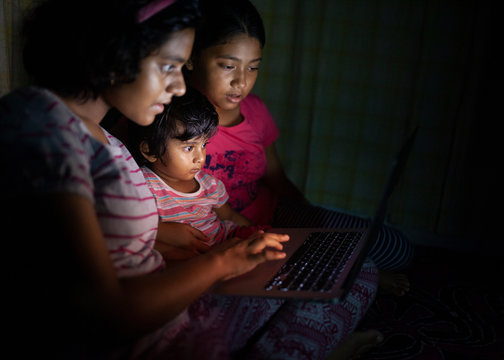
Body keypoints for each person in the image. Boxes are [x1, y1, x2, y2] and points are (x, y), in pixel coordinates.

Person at [0, 0, 380, 359]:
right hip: (156, 337)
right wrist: (219, 264)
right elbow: (109, 315)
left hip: (173, 305)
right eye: (168, 66)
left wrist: (217, 257)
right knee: (328, 286)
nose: (180, 86)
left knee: (345, 272)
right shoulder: (44, 129)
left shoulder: (94, 133)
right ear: (116, 52)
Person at [185, 0, 412, 297]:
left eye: (253, 67)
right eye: (228, 66)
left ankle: (341, 265)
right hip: (225, 233)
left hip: (274, 213)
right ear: (191, 57)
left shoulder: (255, 112)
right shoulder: (175, 123)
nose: (241, 82)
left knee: (397, 249)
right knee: (318, 271)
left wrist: (313, 224)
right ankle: (353, 273)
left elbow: (276, 177)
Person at [128, 87, 269, 256]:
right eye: (189, 147)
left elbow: (230, 216)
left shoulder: (209, 184)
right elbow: (134, 231)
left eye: (203, 145)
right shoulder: (145, 186)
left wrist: (256, 233)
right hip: (196, 260)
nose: (200, 158)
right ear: (150, 151)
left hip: (228, 243)